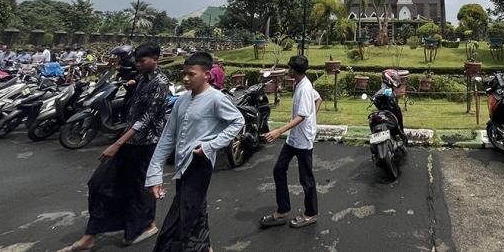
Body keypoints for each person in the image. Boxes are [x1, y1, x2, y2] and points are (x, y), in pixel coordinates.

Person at [59, 43, 170, 252]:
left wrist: (116, 144)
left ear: (156, 59)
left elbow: (146, 119)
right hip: (128, 139)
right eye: (136, 61)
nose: (138, 64)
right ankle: (90, 234)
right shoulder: (142, 79)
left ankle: (146, 225)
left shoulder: (160, 83)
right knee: (100, 183)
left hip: (146, 143)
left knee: (139, 189)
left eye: (142, 61)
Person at [146, 51, 243, 251]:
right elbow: (167, 136)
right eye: (184, 74)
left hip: (199, 164)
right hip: (182, 164)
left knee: (180, 219)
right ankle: (204, 245)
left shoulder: (216, 98)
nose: (185, 78)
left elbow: (237, 121)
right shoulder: (182, 100)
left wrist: (211, 145)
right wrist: (154, 173)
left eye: (191, 74)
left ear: (207, 75)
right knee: (195, 209)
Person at [260, 54, 322, 229]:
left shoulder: (304, 88)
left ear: (294, 70)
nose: (288, 70)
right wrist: (312, 117)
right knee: (279, 169)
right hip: (294, 138)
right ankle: (282, 210)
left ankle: (311, 214)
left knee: (306, 178)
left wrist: (278, 131)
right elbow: (318, 99)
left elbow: (302, 116)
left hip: (303, 140)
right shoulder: (301, 83)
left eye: (289, 68)